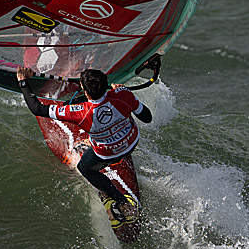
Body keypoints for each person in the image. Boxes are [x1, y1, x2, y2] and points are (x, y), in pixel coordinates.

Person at [16, 66, 152, 222]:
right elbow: (147, 117)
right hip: (131, 141)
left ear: (86, 93)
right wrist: (124, 93)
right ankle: (100, 141)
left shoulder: (79, 112)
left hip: (107, 154)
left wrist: (23, 81)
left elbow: (37, 108)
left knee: (84, 168)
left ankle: (122, 202)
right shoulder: (123, 94)